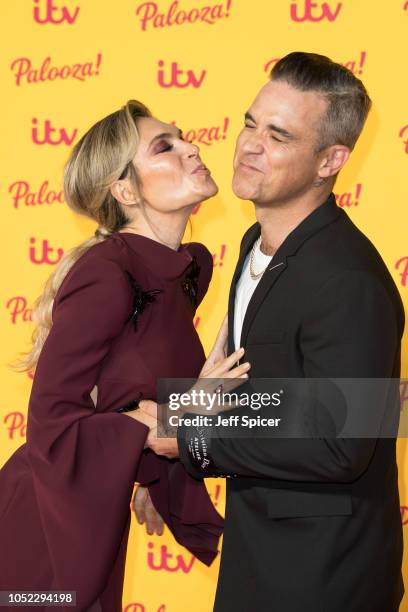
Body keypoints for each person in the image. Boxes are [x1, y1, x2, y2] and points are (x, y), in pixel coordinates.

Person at [144, 53, 406, 611]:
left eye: (279, 136)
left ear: (330, 160)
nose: (249, 145)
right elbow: (257, 392)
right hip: (258, 555)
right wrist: (158, 457)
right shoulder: (255, 245)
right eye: (249, 124)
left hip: (324, 578)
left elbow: (340, 442)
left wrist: (189, 440)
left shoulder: (348, 279)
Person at [0, 100, 251, 611]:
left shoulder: (182, 274)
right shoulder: (109, 272)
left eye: (183, 137)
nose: (191, 147)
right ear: (126, 190)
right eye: (165, 147)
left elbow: (126, 389)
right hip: (45, 526)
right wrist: (145, 428)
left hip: (95, 511)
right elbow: (52, 424)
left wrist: (142, 471)